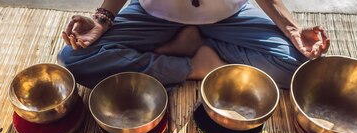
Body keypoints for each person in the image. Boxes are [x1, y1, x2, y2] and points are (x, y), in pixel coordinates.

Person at [57, 0, 330, 88]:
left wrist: (292, 30)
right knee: (75, 58)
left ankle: (194, 41)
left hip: (228, 16)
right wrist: (102, 18)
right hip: (155, 16)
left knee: (300, 66)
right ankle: (192, 66)